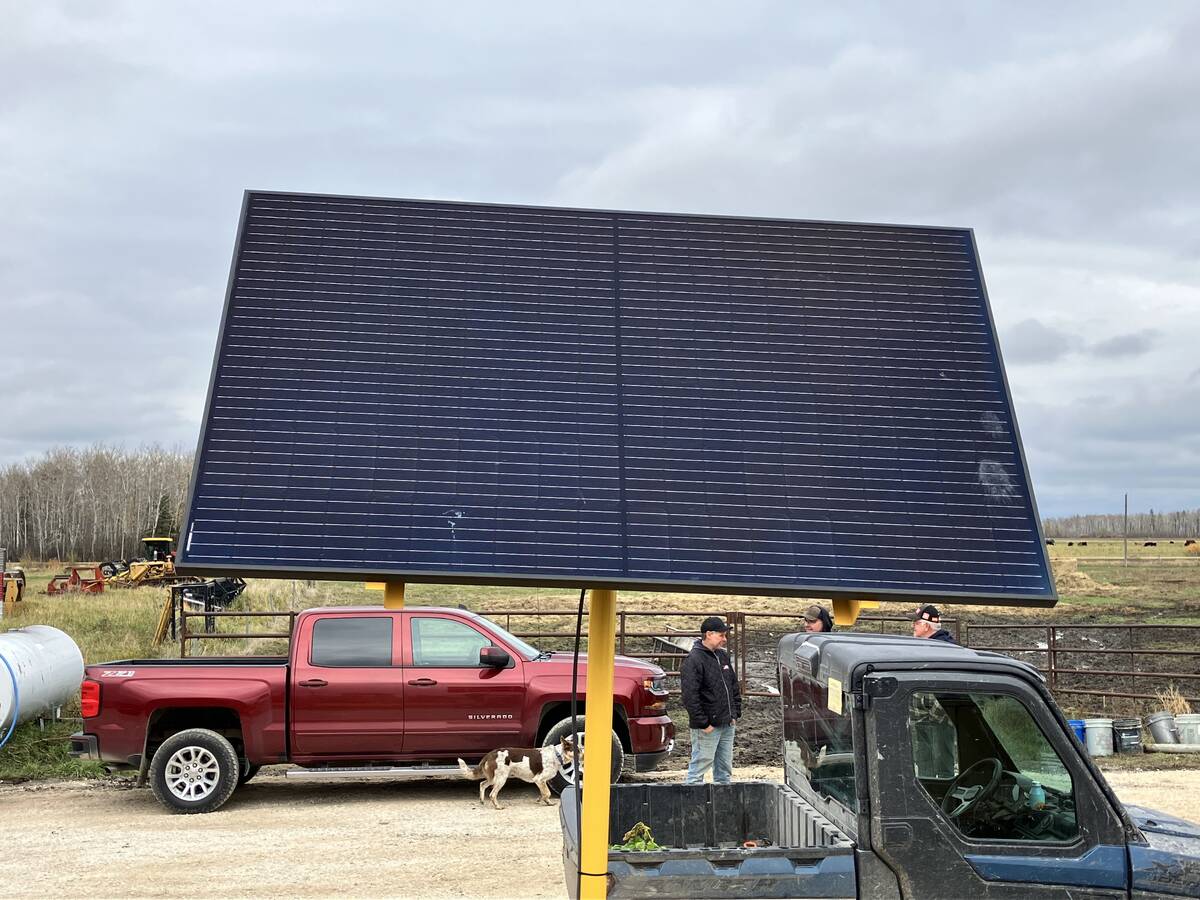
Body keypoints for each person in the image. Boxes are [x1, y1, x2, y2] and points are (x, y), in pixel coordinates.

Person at [680, 615, 742, 784]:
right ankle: (692, 805)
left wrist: (735, 713)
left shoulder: (722, 656)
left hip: (726, 722)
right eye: (721, 635)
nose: (724, 639)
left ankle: (721, 804)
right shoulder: (694, 660)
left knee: (724, 769)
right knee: (699, 768)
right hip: (709, 726)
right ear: (708, 634)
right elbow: (689, 696)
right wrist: (703, 723)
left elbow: (733, 685)